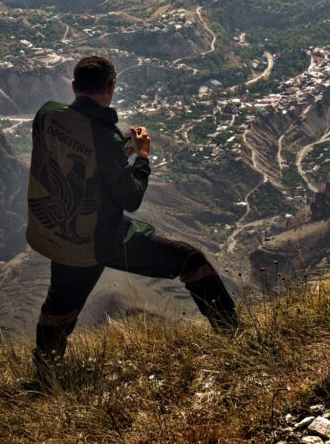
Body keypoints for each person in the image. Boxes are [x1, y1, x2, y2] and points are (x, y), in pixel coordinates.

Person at [27, 55, 237, 374]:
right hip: (102, 240)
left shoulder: (47, 115)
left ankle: (44, 375)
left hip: (61, 234)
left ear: (73, 86)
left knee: (58, 309)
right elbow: (130, 197)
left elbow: (71, 156)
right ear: (111, 88)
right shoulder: (106, 139)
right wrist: (141, 157)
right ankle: (233, 338)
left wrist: (116, 152)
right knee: (191, 261)